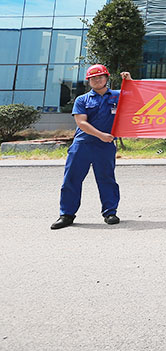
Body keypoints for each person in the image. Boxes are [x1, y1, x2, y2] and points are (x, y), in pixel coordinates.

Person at [50, 65, 132, 230]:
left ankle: (110, 213)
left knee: (106, 179)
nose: (97, 80)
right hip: (83, 145)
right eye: (93, 78)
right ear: (89, 81)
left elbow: (137, 99)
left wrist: (129, 82)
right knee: (72, 179)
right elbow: (81, 122)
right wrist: (101, 135)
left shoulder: (118, 96)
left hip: (105, 146)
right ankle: (66, 215)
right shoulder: (82, 100)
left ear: (106, 78)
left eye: (100, 77)